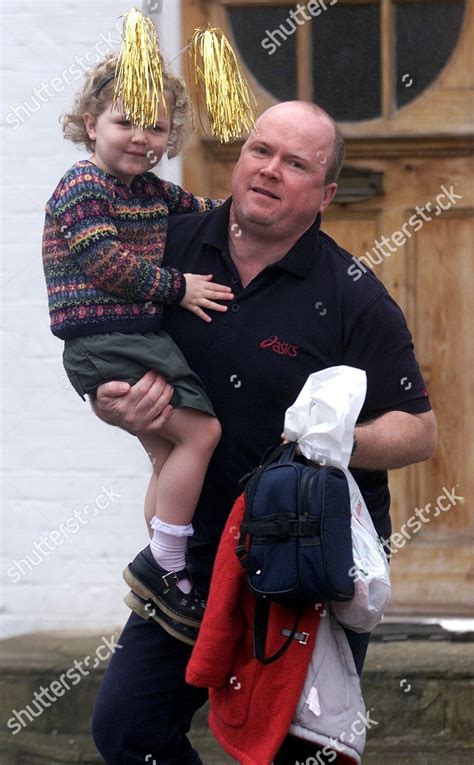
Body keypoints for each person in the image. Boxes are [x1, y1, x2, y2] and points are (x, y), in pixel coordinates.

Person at [90, 101, 437, 764]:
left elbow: (419, 430)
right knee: (128, 728)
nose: (271, 170)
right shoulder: (171, 247)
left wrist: (341, 441)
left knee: (294, 753)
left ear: (326, 194)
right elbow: (104, 351)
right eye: (261, 151)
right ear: (240, 157)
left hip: (305, 558)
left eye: (296, 163)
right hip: (189, 556)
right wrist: (115, 404)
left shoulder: (352, 293)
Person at [42, 53, 235, 631]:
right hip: (105, 338)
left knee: (168, 452)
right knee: (202, 432)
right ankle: (166, 563)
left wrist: (248, 216)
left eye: (155, 125)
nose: (140, 136)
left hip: (130, 339)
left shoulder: (152, 190)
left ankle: (168, 580)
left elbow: (208, 215)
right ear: (91, 121)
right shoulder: (82, 185)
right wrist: (179, 288)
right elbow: (106, 262)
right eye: (125, 121)